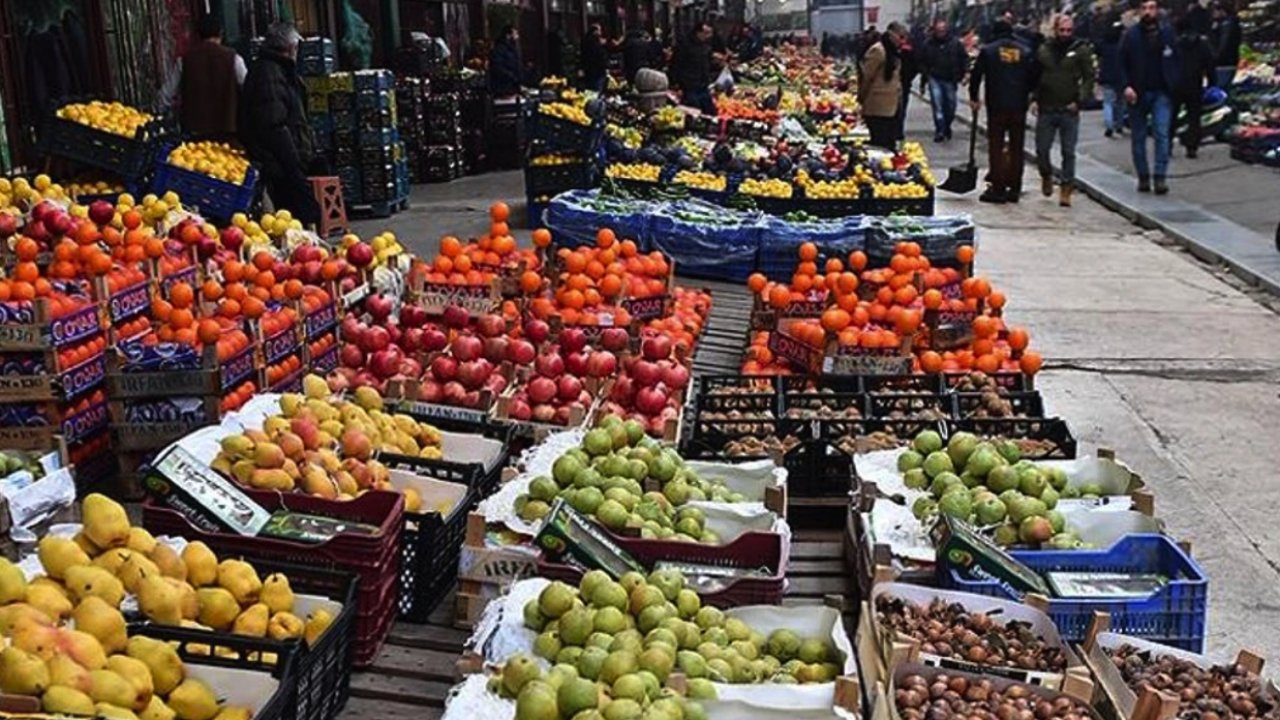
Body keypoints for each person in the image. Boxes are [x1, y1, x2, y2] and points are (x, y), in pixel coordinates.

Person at [239, 22, 319, 226]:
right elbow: (274, 123)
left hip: (283, 160)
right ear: (290, 47)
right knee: (298, 216)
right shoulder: (271, 73)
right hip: (279, 162)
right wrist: (292, 164)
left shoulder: (276, 70)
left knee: (298, 216)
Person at [969, 19, 1038, 203]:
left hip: (997, 104)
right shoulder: (1025, 51)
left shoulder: (988, 51)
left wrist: (974, 97)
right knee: (1017, 147)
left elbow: (976, 75)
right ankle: (1014, 187)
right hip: (1018, 105)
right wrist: (1028, 94)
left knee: (996, 146)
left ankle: (998, 188)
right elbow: (1034, 76)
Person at [1032, 14, 1095, 207]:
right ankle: (1046, 175)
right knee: (1042, 149)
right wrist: (1034, 98)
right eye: (1062, 30)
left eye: (1069, 30)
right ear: (1055, 30)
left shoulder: (1080, 50)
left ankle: (1067, 187)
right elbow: (1035, 76)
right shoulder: (1044, 50)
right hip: (1047, 107)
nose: (1066, 34)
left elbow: (1089, 77)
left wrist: (1080, 99)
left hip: (1069, 108)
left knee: (1068, 151)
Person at [1118, 0, 1180, 194]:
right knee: (1139, 136)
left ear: (1157, 10)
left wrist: (1174, 83)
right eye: (1144, 8)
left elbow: (1177, 59)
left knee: (1162, 134)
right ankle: (1143, 176)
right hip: (1138, 92)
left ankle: (1160, 176)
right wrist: (1126, 86)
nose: (1148, 12)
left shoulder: (1167, 33)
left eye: (1151, 8)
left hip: (1162, 91)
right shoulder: (1131, 35)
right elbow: (1121, 63)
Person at [166, 14, 247, 139]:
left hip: (194, 133)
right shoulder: (234, 59)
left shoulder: (184, 61)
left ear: (197, 35)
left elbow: (166, 94)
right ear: (221, 33)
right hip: (228, 131)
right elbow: (249, 90)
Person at [1171, 14, 1214, 158]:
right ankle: (1192, 147)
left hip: (1175, 84)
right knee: (1194, 117)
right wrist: (1211, 82)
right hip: (1194, 83)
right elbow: (1209, 64)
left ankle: (1167, 144)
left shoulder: (1173, 43)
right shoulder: (1202, 44)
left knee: (1171, 116)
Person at [859, 23, 907, 149]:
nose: (902, 41)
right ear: (892, 34)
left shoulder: (894, 51)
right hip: (878, 105)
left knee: (889, 140)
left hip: (892, 104)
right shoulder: (878, 50)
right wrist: (862, 97)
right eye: (900, 37)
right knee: (880, 141)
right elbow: (866, 76)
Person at [920, 18, 969, 142]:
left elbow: (964, 58)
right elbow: (922, 61)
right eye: (938, 30)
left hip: (950, 78)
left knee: (951, 105)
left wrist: (965, 73)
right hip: (934, 78)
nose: (940, 32)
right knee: (938, 105)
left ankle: (947, 125)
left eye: (942, 30)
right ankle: (940, 130)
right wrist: (925, 76)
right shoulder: (928, 44)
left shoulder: (955, 43)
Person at [671, 23, 716, 115]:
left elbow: (707, 62)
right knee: (694, 111)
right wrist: (676, 83)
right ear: (698, 32)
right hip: (689, 85)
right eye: (706, 32)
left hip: (703, 84)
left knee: (710, 111)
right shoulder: (684, 44)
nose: (708, 36)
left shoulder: (705, 46)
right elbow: (676, 64)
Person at [1096, 10, 1127, 137]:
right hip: (1121, 75)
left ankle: (1109, 124)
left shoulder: (1104, 43)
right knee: (1120, 102)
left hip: (1107, 74)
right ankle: (1119, 125)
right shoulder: (1124, 44)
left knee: (1108, 102)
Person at [1208, 1, 1240, 89]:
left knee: (1221, 88)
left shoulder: (1227, 26)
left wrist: (1214, 59)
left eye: (1215, 10)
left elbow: (1223, 46)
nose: (1213, 13)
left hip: (1224, 63)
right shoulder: (1226, 24)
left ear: (1222, 11)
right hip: (1228, 62)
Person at [488, 25, 522, 96]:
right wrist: (512, 76)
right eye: (515, 34)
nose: (517, 37)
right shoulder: (500, 49)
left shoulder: (511, 48)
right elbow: (497, 67)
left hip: (512, 85)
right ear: (508, 35)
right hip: (503, 86)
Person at [581, 23, 608, 91]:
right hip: (598, 71)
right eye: (599, 30)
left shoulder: (585, 41)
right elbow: (600, 56)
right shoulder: (596, 43)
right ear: (595, 32)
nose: (600, 33)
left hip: (589, 71)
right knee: (597, 89)